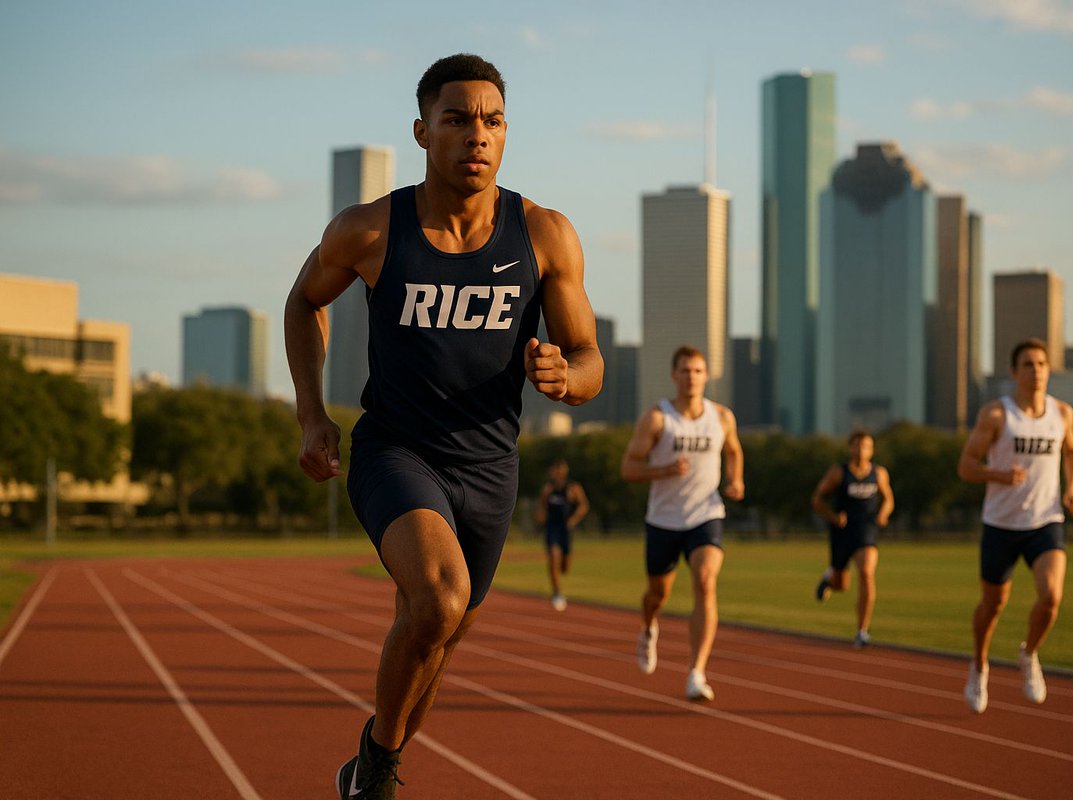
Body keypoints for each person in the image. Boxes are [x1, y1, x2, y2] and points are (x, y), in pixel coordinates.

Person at [284, 53, 602, 799]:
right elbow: (304, 302)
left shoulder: (546, 234)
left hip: (490, 468)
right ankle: (379, 770)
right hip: (396, 449)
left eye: (492, 121)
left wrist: (566, 376)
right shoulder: (369, 230)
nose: (477, 135)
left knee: (436, 643)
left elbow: (589, 360)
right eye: (457, 119)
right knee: (439, 599)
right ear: (423, 131)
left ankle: (369, 764)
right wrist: (310, 414)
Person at [957, 338, 1073, 714]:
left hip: (1045, 521)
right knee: (993, 605)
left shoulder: (1062, 413)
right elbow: (965, 467)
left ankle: (1029, 654)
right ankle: (979, 663)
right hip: (1000, 524)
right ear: (1014, 372)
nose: (1037, 370)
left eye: (1042, 364)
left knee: (1051, 596)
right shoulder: (997, 415)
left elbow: (1072, 450)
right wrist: (996, 473)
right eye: (1028, 364)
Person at [620, 346, 744, 702]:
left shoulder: (722, 417)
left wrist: (736, 480)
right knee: (658, 594)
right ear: (674, 375)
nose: (692, 377)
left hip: (706, 515)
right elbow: (628, 468)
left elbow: (734, 450)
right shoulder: (658, 419)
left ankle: (697, 672)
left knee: (705, 582)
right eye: (686, 371)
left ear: (707, 376)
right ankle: (647, 627)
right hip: (663, 519)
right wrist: (664, 470)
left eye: (698, 371)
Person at [810, 430, 894, 648]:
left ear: (872, 450)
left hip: (866, 530)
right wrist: (832, 516)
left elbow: (888, 499)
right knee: (842, 585)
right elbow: (817, 499)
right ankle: (830, 578)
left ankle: (862, 631)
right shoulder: (839, 472)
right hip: (842, 531)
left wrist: (883, 514)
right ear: (851, 448)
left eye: (866, 446)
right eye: (857, 446)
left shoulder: (879, 473)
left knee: (866, 572)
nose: (861, 450)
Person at [534, 458, 589, 611]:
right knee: (553, 557)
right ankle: (557, 593)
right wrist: (539, 518)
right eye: (554, 470)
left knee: (565, 566)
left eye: (560, 470)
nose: (557, 473)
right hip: (552, 529)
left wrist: (574, 519)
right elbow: (542, 508)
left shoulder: (573, 488)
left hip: (566, 529)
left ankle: (559, 575)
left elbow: (584, 505)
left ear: (564, 471)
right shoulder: (548, 489)